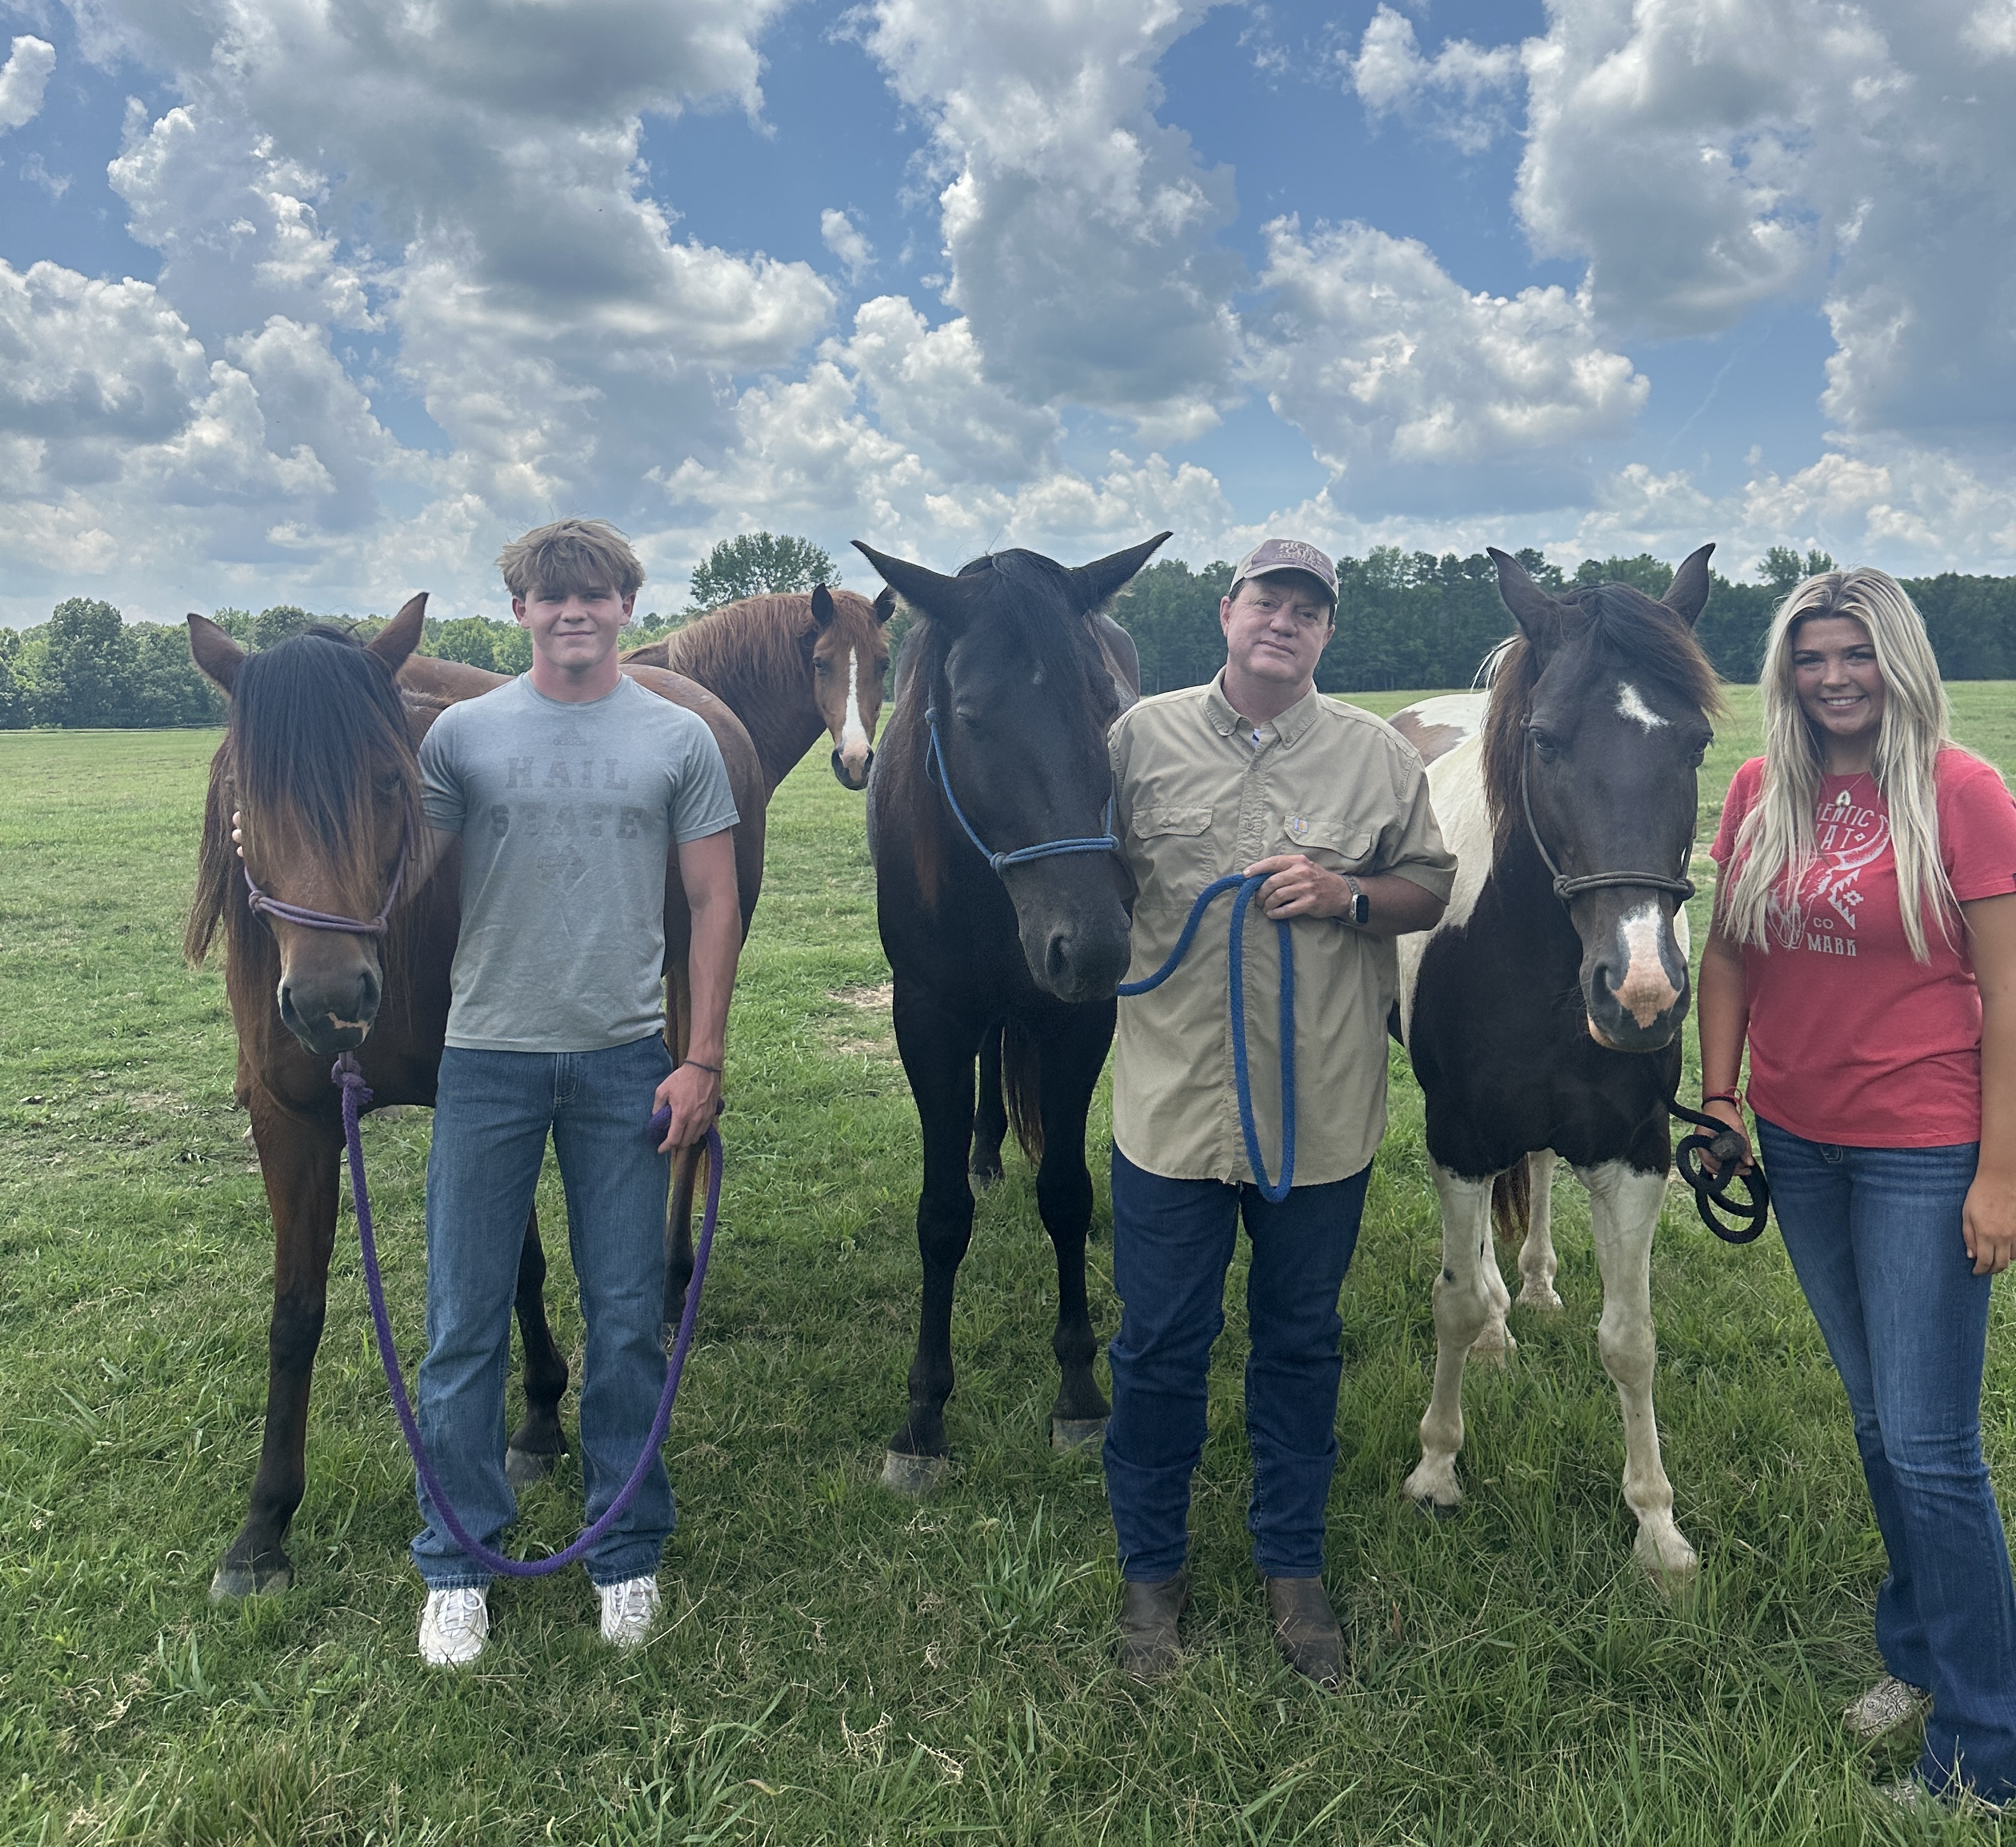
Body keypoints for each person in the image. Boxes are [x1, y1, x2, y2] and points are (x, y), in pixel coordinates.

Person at [1103, 537, 1455, 1685]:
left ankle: (1291, 1565)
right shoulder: (1135, 741)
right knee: (1159, 1345)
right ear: (1228, 610)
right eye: (1269, 600)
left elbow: (1429, 885)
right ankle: (1152, 1572)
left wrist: (1349, 893)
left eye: (1309, 609)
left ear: (1327, 632)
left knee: (1300, 1342)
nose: (1285, 621)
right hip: (1173, 1107)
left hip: (1322, 1111)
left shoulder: (1375, 756)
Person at [1697, 567, 2016, 1806]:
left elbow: (2008, 998)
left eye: (1857, 654)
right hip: (1800, 1141)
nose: (1834, 678)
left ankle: (1987, 1748)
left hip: (1924, 1145)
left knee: (1932, 1445)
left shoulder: (1962, 791)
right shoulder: (1759, 788)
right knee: (1880, 1423)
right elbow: (1729, 952)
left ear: (1899, 661)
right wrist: (1723, 1097)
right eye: (1813, 656)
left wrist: (2001, 1171)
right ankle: (1923, 1651)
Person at [407, 518, 741, 1667]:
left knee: (625, 1316)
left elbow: (713, 901)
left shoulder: (677, 738)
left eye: (594, 594)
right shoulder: (461, 737)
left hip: (623, 1061)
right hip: (484, 1059)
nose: (573, 613)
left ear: (627, 606)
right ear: (520, 613)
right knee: (462, 1322)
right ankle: (457, 1560)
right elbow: (401, 876)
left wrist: (702, 1057)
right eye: (551, 597)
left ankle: (625, 1545)